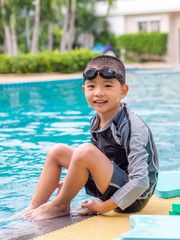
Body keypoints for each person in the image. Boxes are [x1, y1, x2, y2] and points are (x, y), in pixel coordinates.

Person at [23, 55, 158, 220]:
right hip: (112, 183)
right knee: (57, 151)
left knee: (85, 151)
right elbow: (100, 158)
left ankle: (59, 206)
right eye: (91, 86)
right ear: (84, 90)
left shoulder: (131, 126)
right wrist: (71, 182)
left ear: (123, 91)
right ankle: (33, 206)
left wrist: (103, 206)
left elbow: (141, 182)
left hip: (133, 199)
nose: (98, 93)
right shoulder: (96, 120)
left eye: (107, 85)